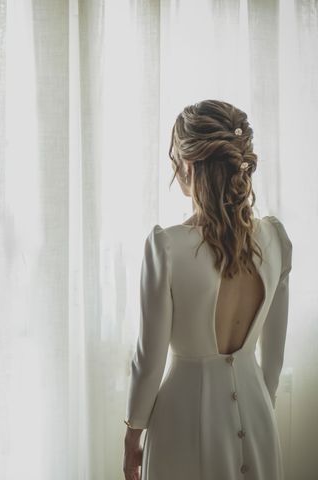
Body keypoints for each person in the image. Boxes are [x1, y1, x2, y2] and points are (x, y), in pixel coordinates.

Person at [123, 100, 292, 480]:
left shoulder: (167, 246)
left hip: (183, 422)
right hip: (258, 412)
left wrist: (133, 434)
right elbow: (274, 361)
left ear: (187, 164)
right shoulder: (276, 238)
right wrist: (258, 410)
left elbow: (149, 360)